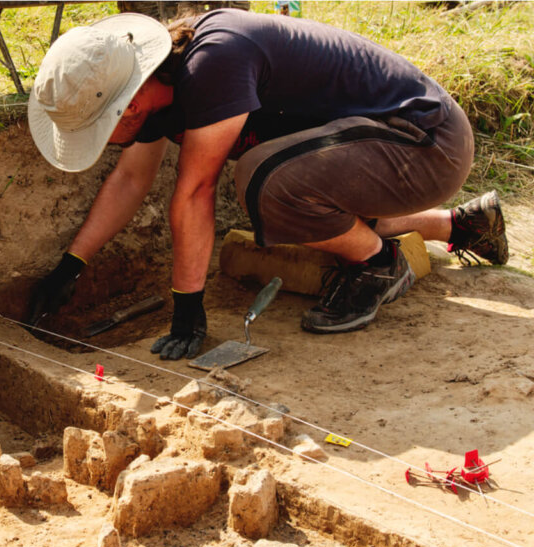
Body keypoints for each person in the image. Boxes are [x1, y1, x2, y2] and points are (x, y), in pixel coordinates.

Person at [26, 10, 508, 359]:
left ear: (125, 107)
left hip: (425, 142)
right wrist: (72, 264)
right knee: (292, 188)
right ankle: (462, 227)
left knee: (263, 180)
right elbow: (131, 179)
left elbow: (195, 191)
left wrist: (187, 306)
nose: (102, 141)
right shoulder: (159, 90)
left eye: (97, 129)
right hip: (379, 152)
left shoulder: (212, 63)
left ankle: (379, 264)